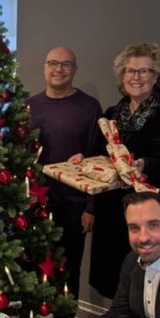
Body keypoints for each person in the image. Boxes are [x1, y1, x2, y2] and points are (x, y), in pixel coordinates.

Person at [90, 43, 160, 299]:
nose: (136, 77)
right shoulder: (112, 114)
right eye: (130, 71)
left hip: (151, 210)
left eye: (144, 71)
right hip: (114, 213)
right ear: (121, 76)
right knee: (117, 284)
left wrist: (145, 165)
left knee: (153, 285)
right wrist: (84, 160)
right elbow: (99, 156)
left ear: (156, 76)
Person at [26, 46, 102, 300]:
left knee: (69, 269)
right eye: (53, 63)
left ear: (75, 70)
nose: (59, 69)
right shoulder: (30, 106)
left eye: (66, 64)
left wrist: (91, 206)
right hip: (37, 203)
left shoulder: (89, 107)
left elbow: (97, 157)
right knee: (36, 266)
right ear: (44, 67)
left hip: (75, 204)